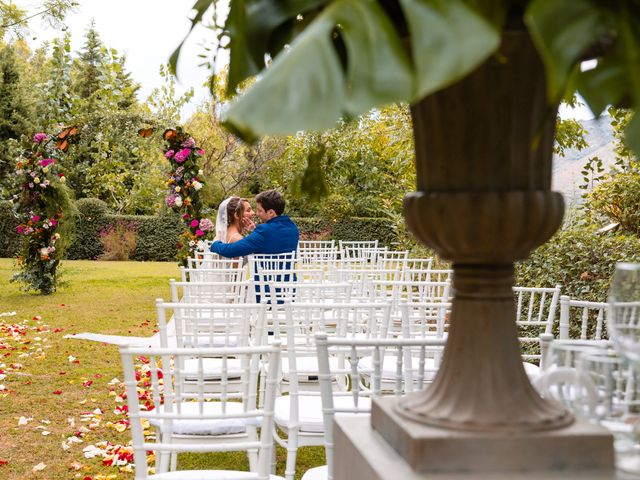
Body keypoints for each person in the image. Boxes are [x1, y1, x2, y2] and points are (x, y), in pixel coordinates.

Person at [210, 190, 299, 258]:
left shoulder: (263, 231)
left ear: (271, 212)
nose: (257, 213)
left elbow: (229, 251)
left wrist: (215, 243)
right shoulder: (293, 228)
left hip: (265, 281)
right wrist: (254, 232)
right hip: (289, 281)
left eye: (260, 210)